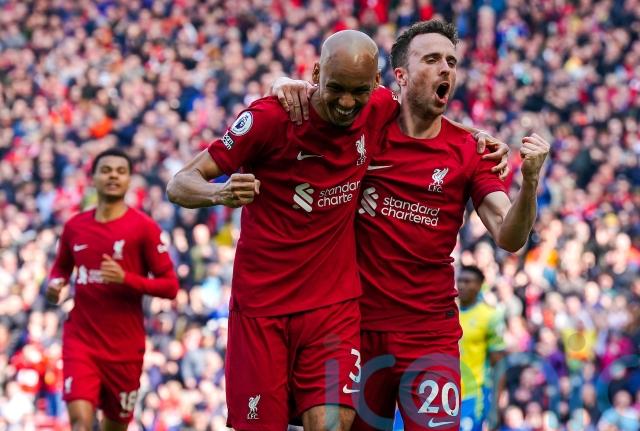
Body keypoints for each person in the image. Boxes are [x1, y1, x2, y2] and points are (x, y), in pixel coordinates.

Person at [272, 19, 549, 431]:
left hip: (429, 336)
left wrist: (529, 183)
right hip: (356, 330)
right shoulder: (365, 126)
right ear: (399, 76)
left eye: (451, 62)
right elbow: (320, 101)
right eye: (432, 59)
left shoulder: (469, 152)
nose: (445, 68)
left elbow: (509, 236)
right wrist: (284, 84)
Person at [166, 30, 399, 431]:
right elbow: (180, 183)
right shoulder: (271, 118)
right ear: (316, 74)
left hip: (332, 306)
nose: (347, 102)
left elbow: (431, 119)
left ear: (376, 83)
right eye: (336, 88)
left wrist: (478, 139)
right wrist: (220, 193)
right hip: (262, 309)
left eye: (358, 91)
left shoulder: (379, 107)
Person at [47, 148, 179, 431]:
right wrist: (55, 284)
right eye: (106, 170)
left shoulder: (144, 228)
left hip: (125, 349)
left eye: (121, 171)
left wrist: (126, 279)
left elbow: (170, 286)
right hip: (81, 340)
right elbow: (61, 267)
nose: (113, 176)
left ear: (129, 179)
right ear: (93, 178)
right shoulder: (74, 227)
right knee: (80, 424)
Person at [457, 265, 507, 431]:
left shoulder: (490, 316)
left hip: (473, 397)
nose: (462, 285)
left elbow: (499, 364)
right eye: (460, 281)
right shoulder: (447, 312)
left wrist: (494, 407)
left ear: (479, 285)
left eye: (468, 281)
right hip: (444, 395)